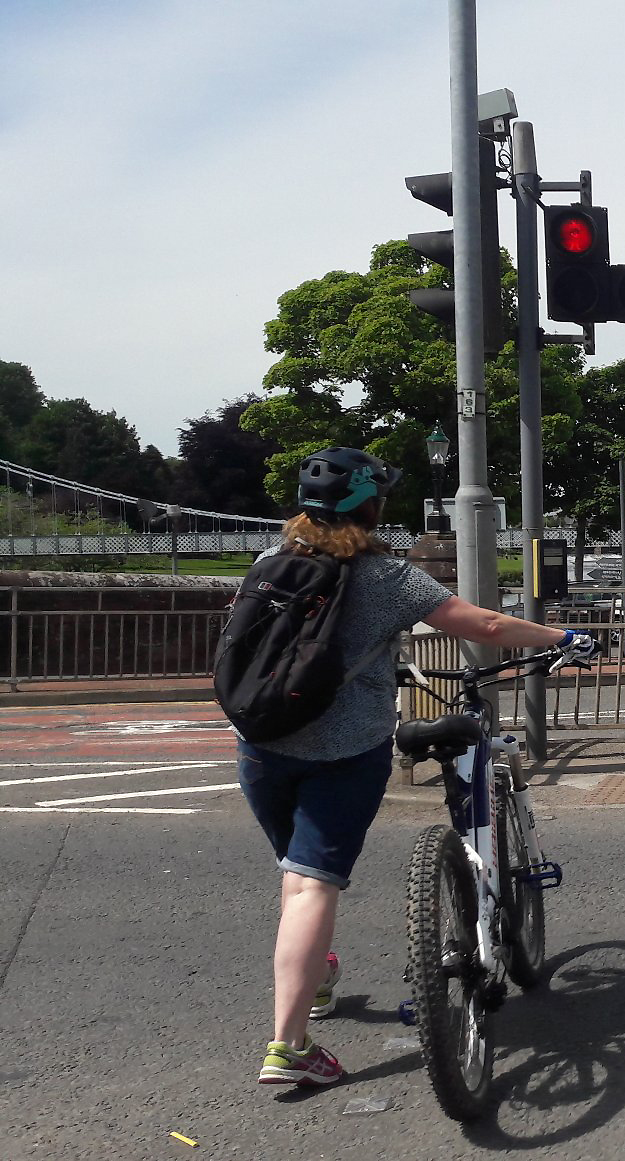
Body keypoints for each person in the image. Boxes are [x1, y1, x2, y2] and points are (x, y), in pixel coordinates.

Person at [237, 447, 597, 1088]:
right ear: (372, 508)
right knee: (313, 883)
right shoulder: (386, 577)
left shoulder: (269, 562)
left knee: (296, 877)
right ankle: (287, 1047)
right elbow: (485, 624)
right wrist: (562, 638)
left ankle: (316, 977)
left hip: (261, 745)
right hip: (344, 752)